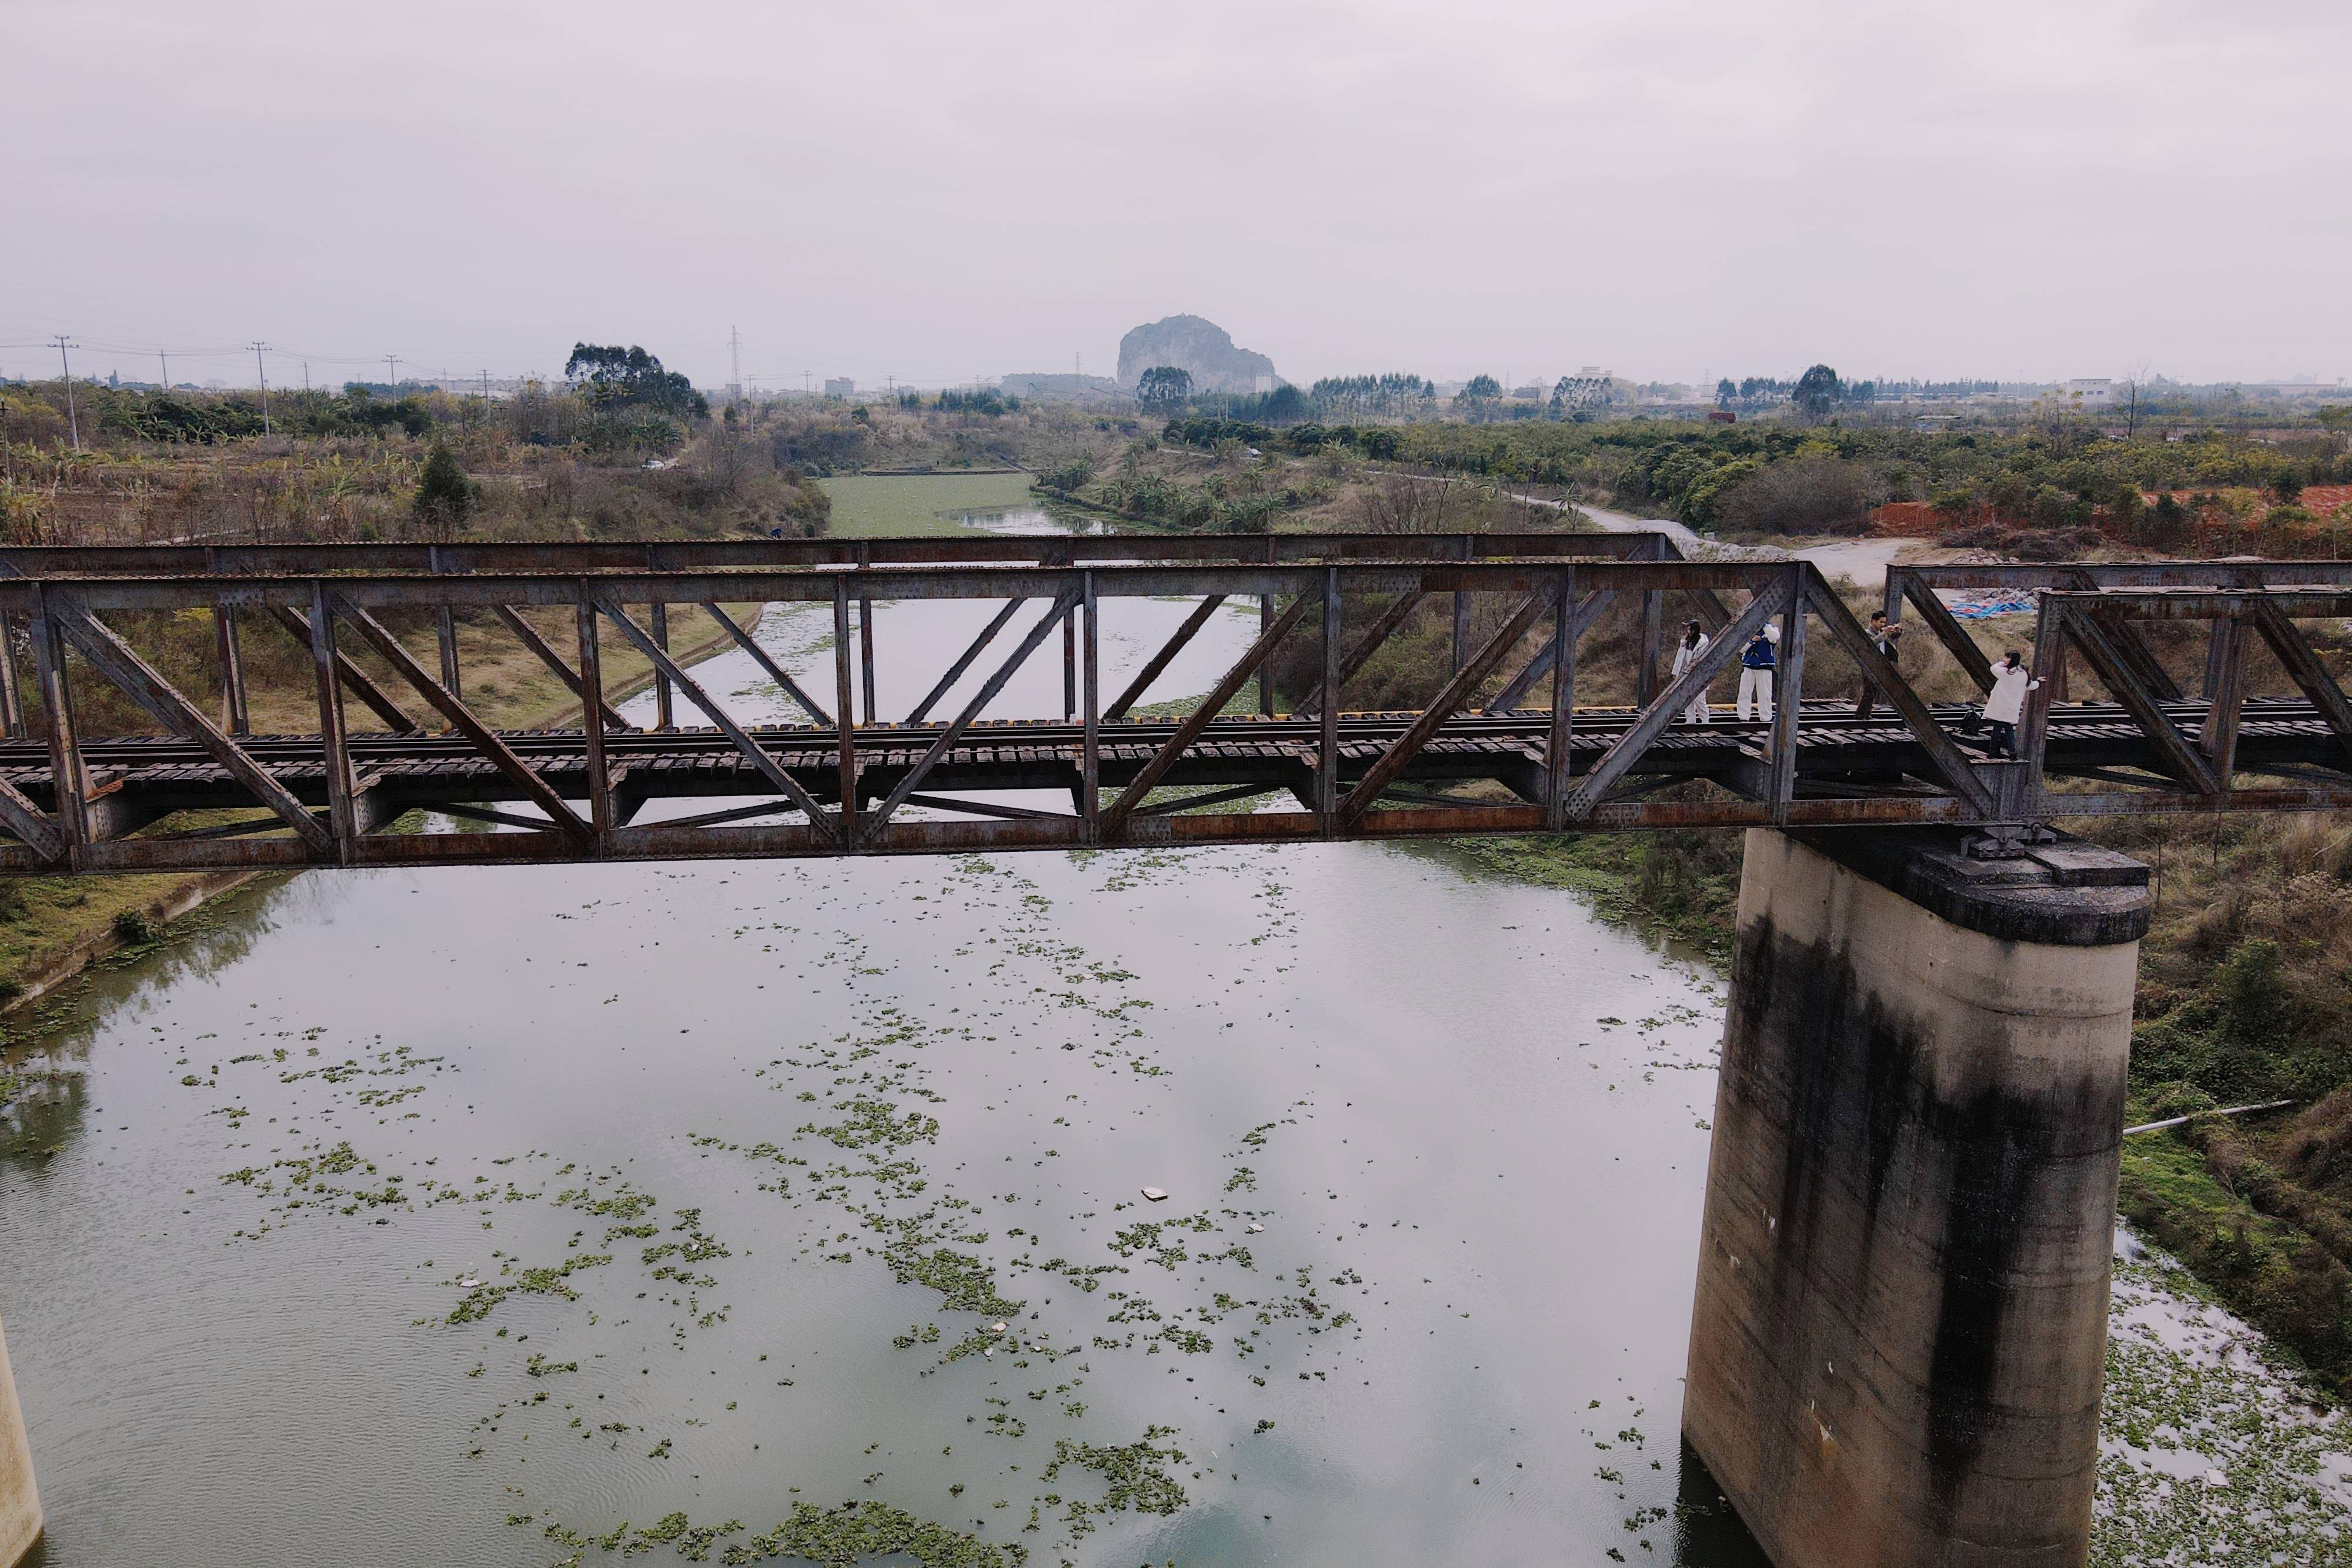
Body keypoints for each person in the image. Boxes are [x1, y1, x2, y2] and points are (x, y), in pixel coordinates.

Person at [1981, 650, 2039, 758]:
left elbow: (1993, 668)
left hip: (2000, 705)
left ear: (2011, 660)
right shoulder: (2024, 674)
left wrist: (2003, 663)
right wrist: (2039, 682)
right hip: (2012, 707)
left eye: (2007, 658)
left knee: (1996, 730)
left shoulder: (2005, 673)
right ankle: (2012, 752)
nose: (2005, 660)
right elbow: (2031, 686)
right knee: (2009, 730)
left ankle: (1993, 752)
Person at [1736, 621, 1779, 723]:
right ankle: (1743, 716)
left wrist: (1764, 626)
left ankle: (1766, 717)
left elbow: (1775, 637)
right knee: (1744, 692)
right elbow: (1741, 649)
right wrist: (1752, 640)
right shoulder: (1749, 629)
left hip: (1764, 665)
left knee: (1765, 693)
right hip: (1749, 664)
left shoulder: (1771, 628)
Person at [1671, 620, 1711, 723]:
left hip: (1699, 676)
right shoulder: (1685, 642)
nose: (1688, 631)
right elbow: (1679, 659)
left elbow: (1705, 661)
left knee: (1699, 700)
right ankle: (1690, 720)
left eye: (1690, 629)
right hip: (1686, 674)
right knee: (1687, 699)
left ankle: (1705, 721)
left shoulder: (1703, 643)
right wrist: (1676, 673)